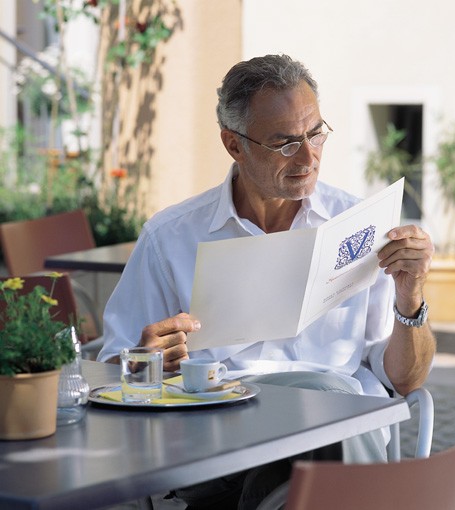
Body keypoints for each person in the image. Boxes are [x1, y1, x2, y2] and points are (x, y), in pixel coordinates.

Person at [97, 54, 435, 509]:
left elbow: (405, 380)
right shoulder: (171, 236)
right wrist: (146, 360)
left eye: (316, 133)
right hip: (224, 438)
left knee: (331, 410)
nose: (308, 156)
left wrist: (410, 297)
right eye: (285, 143)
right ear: (234, 145)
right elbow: (112, 370)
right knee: (331, 405)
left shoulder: (358, 226)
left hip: (340, 438)